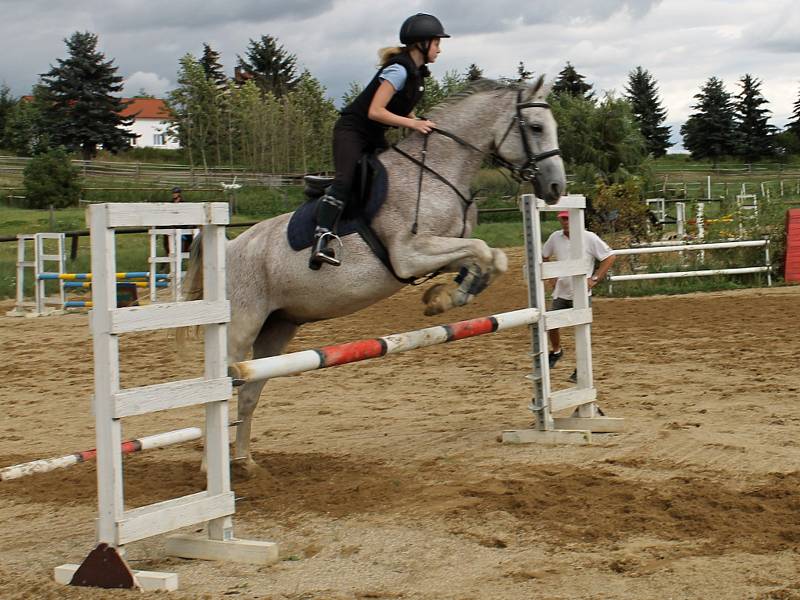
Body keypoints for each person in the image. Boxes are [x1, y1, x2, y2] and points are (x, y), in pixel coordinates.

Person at [309, 13, 450, 269]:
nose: (439, 49)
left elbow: (401, 108)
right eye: (437, 43)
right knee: (345, 180)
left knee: (394, 178)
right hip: (352, 131)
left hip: (374, 135)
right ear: (421, 43)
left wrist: (418, 122)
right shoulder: (398, 69)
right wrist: (413, 124)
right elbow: (375, 111)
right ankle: (322, 237)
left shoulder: (417, 74)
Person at [543, 211, 616, 382]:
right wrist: (550, 276)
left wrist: (595, 278)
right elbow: (544, 255)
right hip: (561, 290)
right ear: (559, 219)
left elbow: (610, 256)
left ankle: (580, 368)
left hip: (581, 293)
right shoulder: (555, 237)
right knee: (551, 324)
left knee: (581, 332)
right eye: (563, 218)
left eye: (568, 218)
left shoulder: (589, 238)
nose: (566, 221)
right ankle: (556, 351)